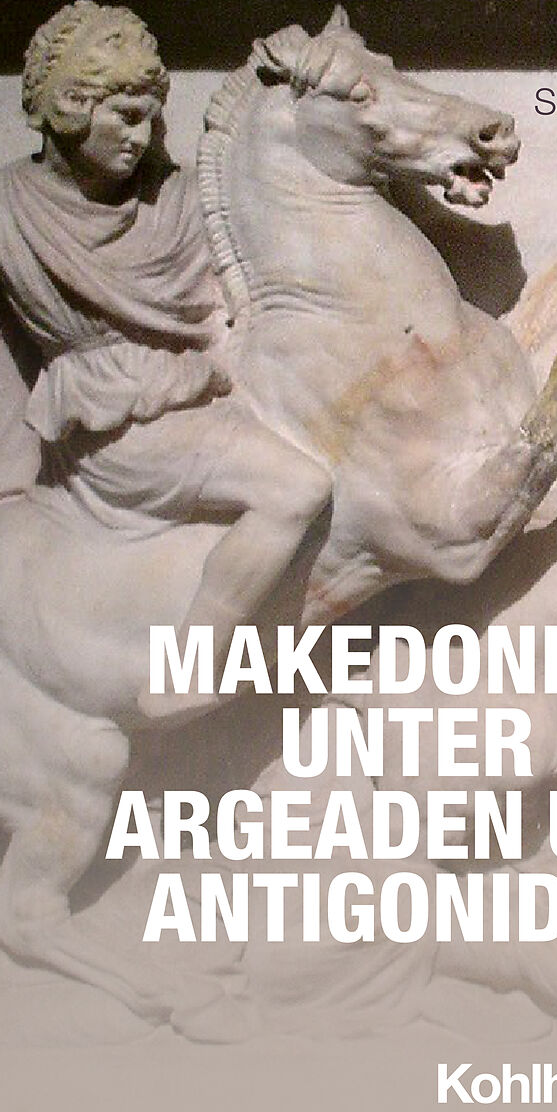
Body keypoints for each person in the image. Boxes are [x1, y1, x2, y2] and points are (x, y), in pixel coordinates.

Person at [0, 2, 333, 716]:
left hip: (198, 388)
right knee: (297, 487)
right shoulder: (6, 213)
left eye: (150, 118)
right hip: (113, 422)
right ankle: (187, 670)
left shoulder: (178, 200)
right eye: (125, 116)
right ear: (69, 107)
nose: (142, 136)